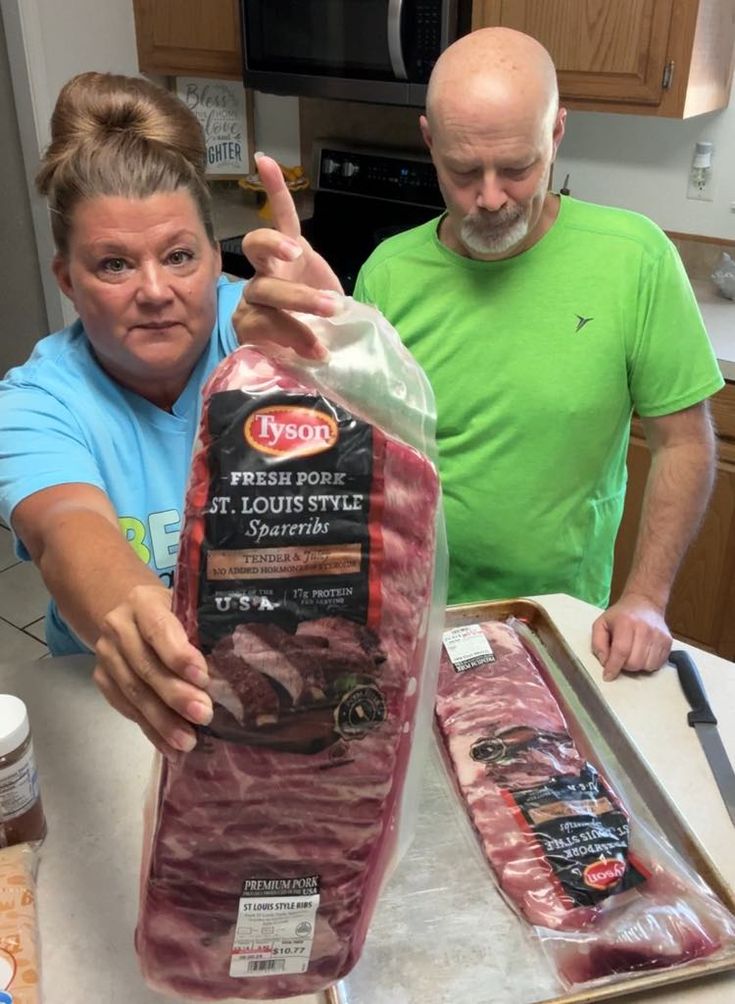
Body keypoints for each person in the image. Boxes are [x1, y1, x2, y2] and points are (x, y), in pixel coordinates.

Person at [238, 28, 724, 681]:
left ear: (555, 133)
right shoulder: (390, 271)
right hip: (409, 615)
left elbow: (684, 444)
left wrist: (646, 598)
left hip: (556, 621)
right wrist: (312, 349)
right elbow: (355, 457)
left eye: (516, 168)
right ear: (428, 142)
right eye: (463, 172)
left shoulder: (634, 259)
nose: (490, 198)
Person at [0, 72, 333, 760]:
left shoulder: (266, 340)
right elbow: (68, 530)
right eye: (114, 265)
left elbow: (393, 465)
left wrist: (335, 347)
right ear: (67, 279)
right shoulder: (34, 405)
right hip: (114, 702)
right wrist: (132, 615)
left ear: (217, 257)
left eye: (179, 256)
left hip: (282, 685)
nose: (155, 291)